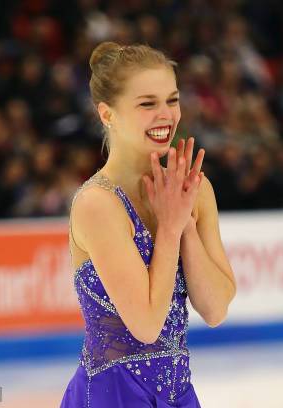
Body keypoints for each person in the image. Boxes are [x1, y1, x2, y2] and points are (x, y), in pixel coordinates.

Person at [60, 42, 237, 408]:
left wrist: (185, 221)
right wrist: (170, 228)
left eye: (172, 100)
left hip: (178, 394)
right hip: (113, 396)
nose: (166, 115)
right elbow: (146, 325)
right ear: (107, 114)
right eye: (147, 104)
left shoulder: (195, 189)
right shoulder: (98, 205)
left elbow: (216, 309)